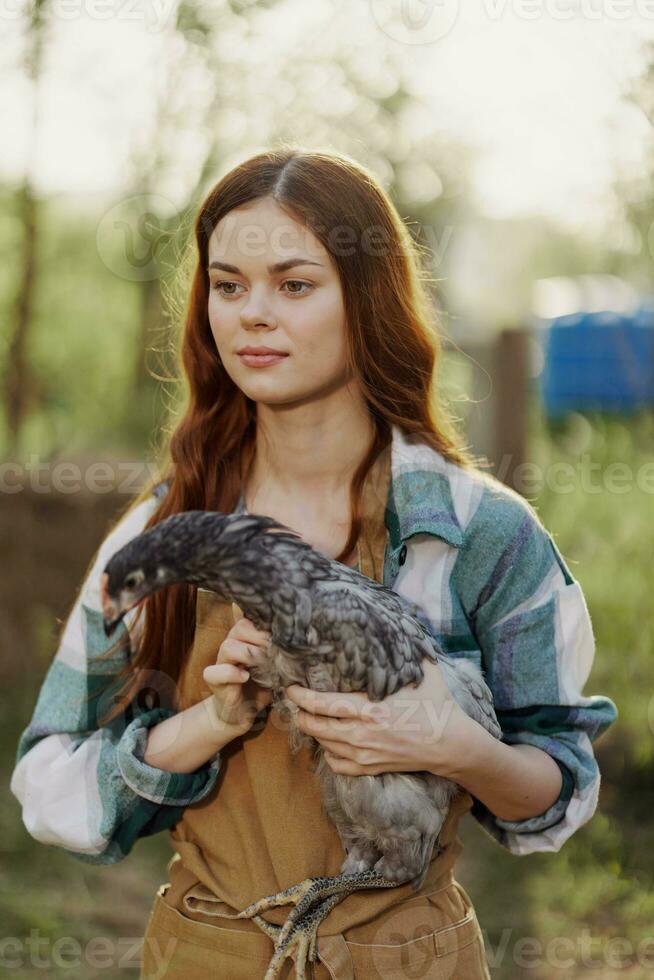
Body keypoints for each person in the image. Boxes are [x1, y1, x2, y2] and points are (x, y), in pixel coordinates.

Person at [10, 147, 618, 979]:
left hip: (410, 960)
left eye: (294, 285)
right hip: (205, 956)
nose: (252, 314)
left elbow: (558, 795)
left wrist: (455, 746)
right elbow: (48, 790)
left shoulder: (479, 533)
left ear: (367, 304)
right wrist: (209, 724)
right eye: (228, 286)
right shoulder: (159, 538)